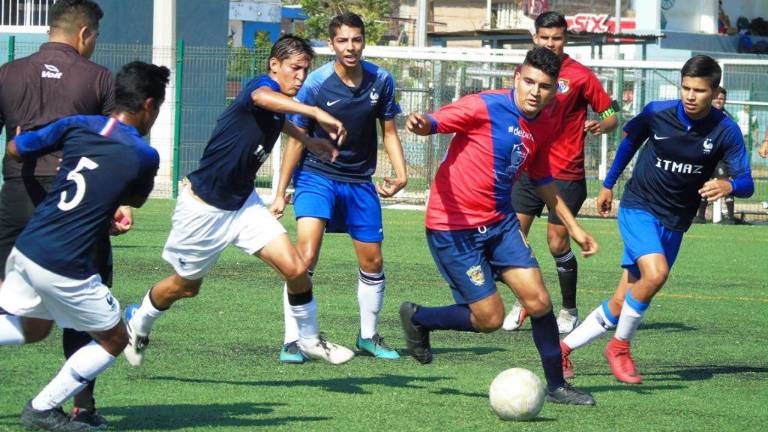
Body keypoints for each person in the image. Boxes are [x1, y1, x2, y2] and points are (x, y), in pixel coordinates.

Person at [123, 35, 355, 368]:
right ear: (274, 65)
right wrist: (315, 112)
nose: (301, 77)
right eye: (295, 68)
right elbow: (263, 99)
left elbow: (280, 119)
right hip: (204, 208)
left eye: (306, 70)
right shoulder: (260, 87)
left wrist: (308, 139)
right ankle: (139, 320)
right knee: (185, 287)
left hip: (243, 205)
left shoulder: (279, 106)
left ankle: (309, 339)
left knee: (297, 268)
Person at [399, 47, 598, 405]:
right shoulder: (483, 105)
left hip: (500, 223)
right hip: (453, 227)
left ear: (555, 90)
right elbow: (435, 121)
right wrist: (421, 124)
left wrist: (574, 227)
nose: (536, 92)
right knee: (489, 319)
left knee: (539, 300)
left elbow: (540, 176)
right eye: (530, 82)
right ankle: (419, 318)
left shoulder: (548, 119)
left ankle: (557, 386)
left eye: (546, 86)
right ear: (516, 78)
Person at [560, 55, 753, 384]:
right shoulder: (656, 112)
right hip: (639, 207)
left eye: (700, 91)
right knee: (657, 273)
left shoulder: (726, 130)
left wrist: (729, 184)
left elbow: (747, 181)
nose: (690, 96)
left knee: (624, 300)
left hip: (676, 220)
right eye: (686, 88)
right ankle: (619, 347)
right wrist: (608, 184)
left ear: (715, 92)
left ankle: (561, 348)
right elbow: (630, 142)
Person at [0, 61, 168, 432]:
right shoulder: (144, 155)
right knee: (116, 339)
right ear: (149, 105)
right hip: (65, 261)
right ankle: (42, 409)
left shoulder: (78, 123)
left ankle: (48, 407)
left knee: (34, 329)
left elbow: (16, 148)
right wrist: (111, 212)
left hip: (28, 247)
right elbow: (132, 201)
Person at [0, 0, 119, 428]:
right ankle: (81, 408)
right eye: (96, 37)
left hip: (15, 196)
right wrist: (114, 204)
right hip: (73, 201)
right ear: (85, 34)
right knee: (86, 308)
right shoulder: (98, 77)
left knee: (9, 304)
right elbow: (109, 148)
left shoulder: (9, 73)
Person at [271, 12, 407, 362]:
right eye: (343, 40)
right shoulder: (314, 83)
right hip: (317, 177)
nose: (351, 47)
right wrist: (280, 192)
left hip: (360, 181)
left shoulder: (382, 80)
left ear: (363, 41)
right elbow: (296, 140)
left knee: (373, 260)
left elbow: (389, 132)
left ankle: (368, 336)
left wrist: (401, 173)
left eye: (356, 39)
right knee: (305, 255)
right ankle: (293, 339)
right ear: (332, 44)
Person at [504, 11, 619, 335]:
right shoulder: (525, 72)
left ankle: (568, 309)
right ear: (535, 38)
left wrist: (602, 124)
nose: (550, 43)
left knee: (556, 242)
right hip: (528, 167)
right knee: (514, 239)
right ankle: (526, 299)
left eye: (557, 38)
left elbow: (611, 113)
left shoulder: (581, 76)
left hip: (566, 172)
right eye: (545, 38)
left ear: (565, 39)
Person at [694, 87, 742, 224]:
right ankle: (700, 216)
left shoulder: (728, 119)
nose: (719, 101)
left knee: (724, 182)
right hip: (704, 157)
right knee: (703, 184)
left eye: (721, 98)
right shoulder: (702, 115)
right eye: (716, 98)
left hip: (720, 158)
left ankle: (730, 217)